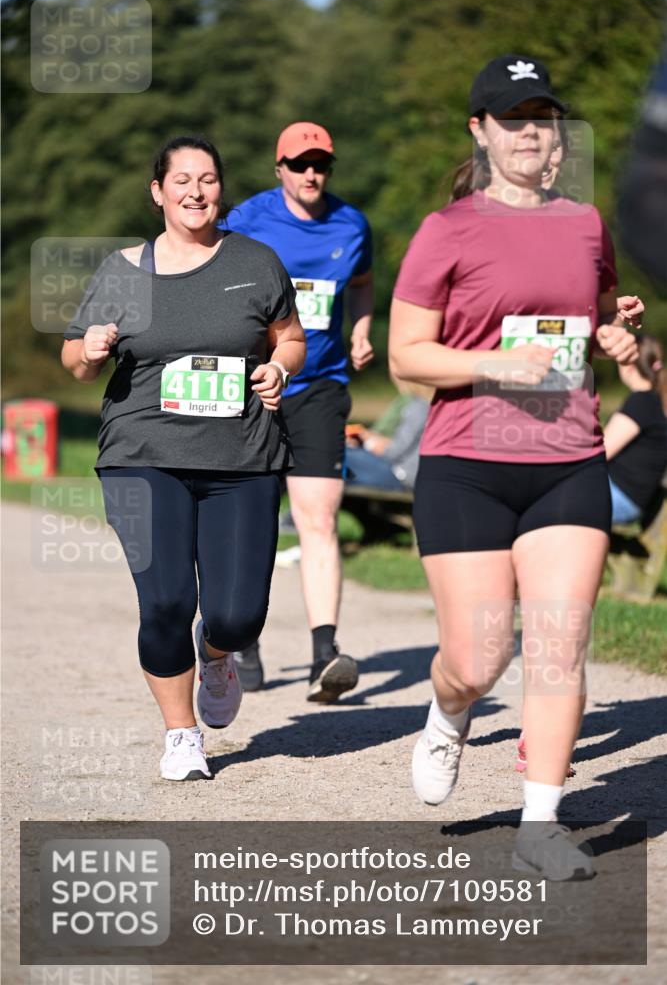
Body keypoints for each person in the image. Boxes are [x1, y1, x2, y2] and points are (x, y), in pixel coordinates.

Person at [389, 54, 638, 880]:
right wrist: (496, 362)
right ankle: (448, 711)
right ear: (480, 130)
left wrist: (616, 333)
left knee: (560, 646)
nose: (530, 130)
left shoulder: (585, 223)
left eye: (541, 116)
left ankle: (540, 821)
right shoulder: (446, 229)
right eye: (512, 116)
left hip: (567, 458)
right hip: (466, 462)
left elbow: (597, 314)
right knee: (478, 656)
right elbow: (405, 357)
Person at [61, 135, 305, 781]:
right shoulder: (122, 271)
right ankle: (180, 735)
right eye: (181, 181)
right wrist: (88, 348)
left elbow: (290, 338)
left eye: (207, 180)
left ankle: (217, 653)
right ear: (158, 193)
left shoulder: (256, 260)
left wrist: (279, 368)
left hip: (242, 457)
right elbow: (77, 366)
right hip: (142, 454)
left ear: (220, 189)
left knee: (237, 613)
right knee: (165, 600)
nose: (195, 192)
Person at [222, 122, 374, 701]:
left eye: (322, 164)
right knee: (251, 517)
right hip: (254, 385)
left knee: (319, 518)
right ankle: (242, 638)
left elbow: (361, 282)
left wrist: (360, 328)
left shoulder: (352, 223)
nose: (312, 174)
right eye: (300, 164)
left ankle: (323, 654)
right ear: (279, 168)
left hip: (321, 386)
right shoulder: (247, 220)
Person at [605, 334, 667, 522]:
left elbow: (600, 451)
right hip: (629, 496)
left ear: (629, 365)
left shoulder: (641, 401)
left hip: (621, 496)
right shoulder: (655, 399)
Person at [344, 380, 430, 492]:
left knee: (342, 454)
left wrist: (369, 443)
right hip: (403, 472)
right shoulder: (422, 406)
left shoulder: (419, 407)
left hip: (402, 474)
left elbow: (393, 453)